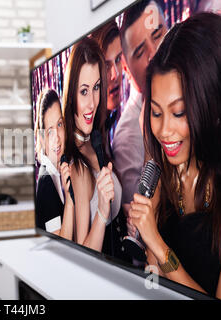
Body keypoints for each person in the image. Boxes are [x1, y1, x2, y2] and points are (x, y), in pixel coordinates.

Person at [129, 12, 221, 299]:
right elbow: (152, 278)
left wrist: (157, 245)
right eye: (156, 113)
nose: (163, 130)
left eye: (179, 112)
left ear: (212, 104)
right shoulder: (163, 168)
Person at [62, 37, 129, 262]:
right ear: (71, 94)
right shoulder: (76, 165)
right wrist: (102, 211)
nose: (91, 103)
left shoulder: (94, 140)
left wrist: (122, 212)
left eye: (96, 87)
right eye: (83, 91)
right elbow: (82, 258)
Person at [112, 0, 168, 217]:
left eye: (158, 35)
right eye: (140, 52)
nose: (155, 53)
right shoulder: (127, 137)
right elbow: (138, 222)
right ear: (126, 66)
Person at [34, 88, 74, 240]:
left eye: (59, 125)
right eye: (50, 131)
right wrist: (70, 198)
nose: (57, 137)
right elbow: (60, 246)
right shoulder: (46, 185)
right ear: (42, 138)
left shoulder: (59, 171)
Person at [91, 19, 126, 154]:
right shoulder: (88, 144)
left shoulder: (104, 131)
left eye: (118, 59)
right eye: (106, 66)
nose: (115, 74)